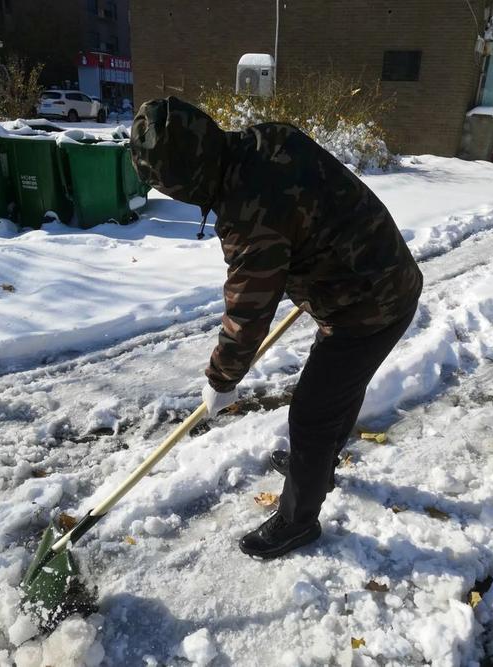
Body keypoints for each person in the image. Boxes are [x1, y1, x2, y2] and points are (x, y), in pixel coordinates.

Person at [130, 96, 423, 559]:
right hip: (371, 273)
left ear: (187, 178)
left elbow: (249, 310)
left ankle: (298, 519)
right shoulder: (263, 141)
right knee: (334, 393)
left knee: (313, 411)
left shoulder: (250, 212)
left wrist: (221, 380)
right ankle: (318, 468)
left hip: (370, 302)